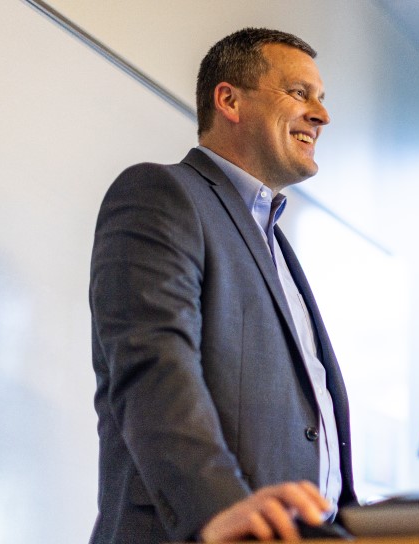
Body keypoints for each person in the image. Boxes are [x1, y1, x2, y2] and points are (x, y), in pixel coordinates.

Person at [88, 27, 356, 543]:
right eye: (299, 94)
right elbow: (153, 363)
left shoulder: (278, 245)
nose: (321, 115)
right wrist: (217, 512)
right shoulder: (161, 194)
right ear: (229, 100)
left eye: (321, 99)